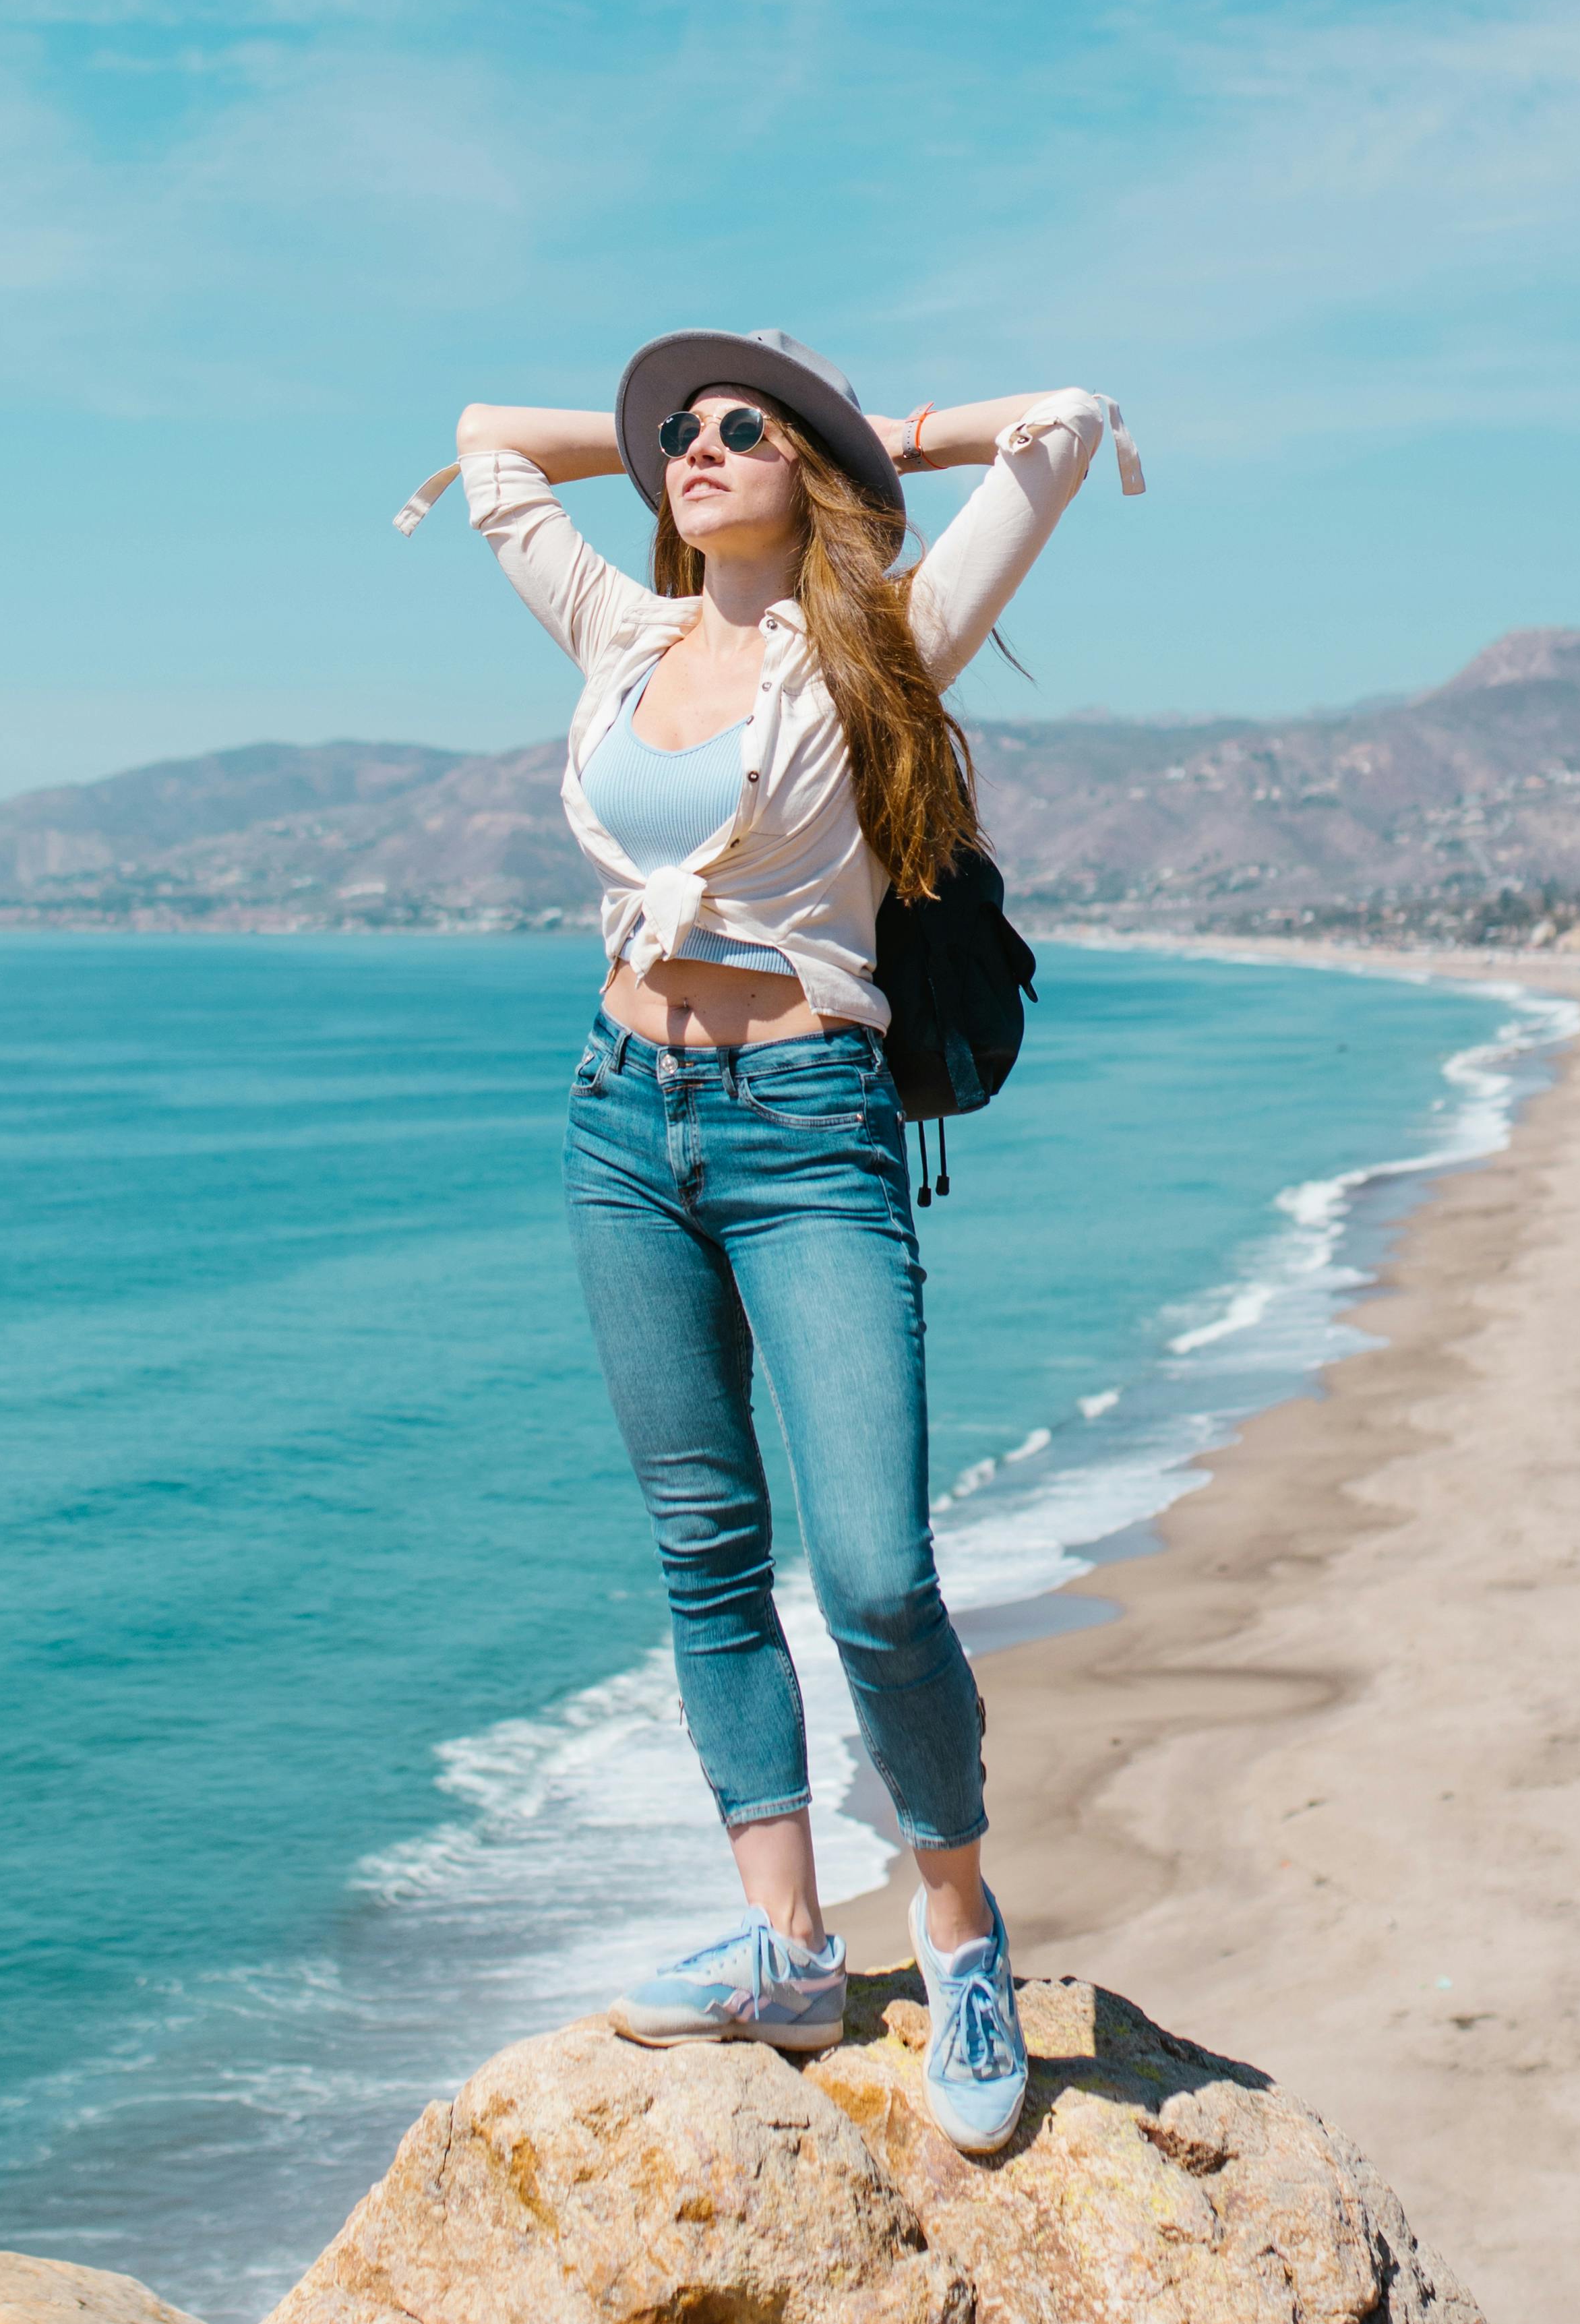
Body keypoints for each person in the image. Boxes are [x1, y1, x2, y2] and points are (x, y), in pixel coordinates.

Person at [398, 330, 1141, 2151]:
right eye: (684, 437)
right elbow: (489, 445)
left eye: (745, 432)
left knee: (877, 1576)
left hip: (808, 1131)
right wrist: (663, 430)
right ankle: (789, 1945)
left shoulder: (875, 648)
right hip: (616, 1120)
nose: (702, 451)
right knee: (705, 1548)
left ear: (812, 473)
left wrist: (877, 432)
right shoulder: (624, 635)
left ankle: (953, 1924)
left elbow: (1058, 431)